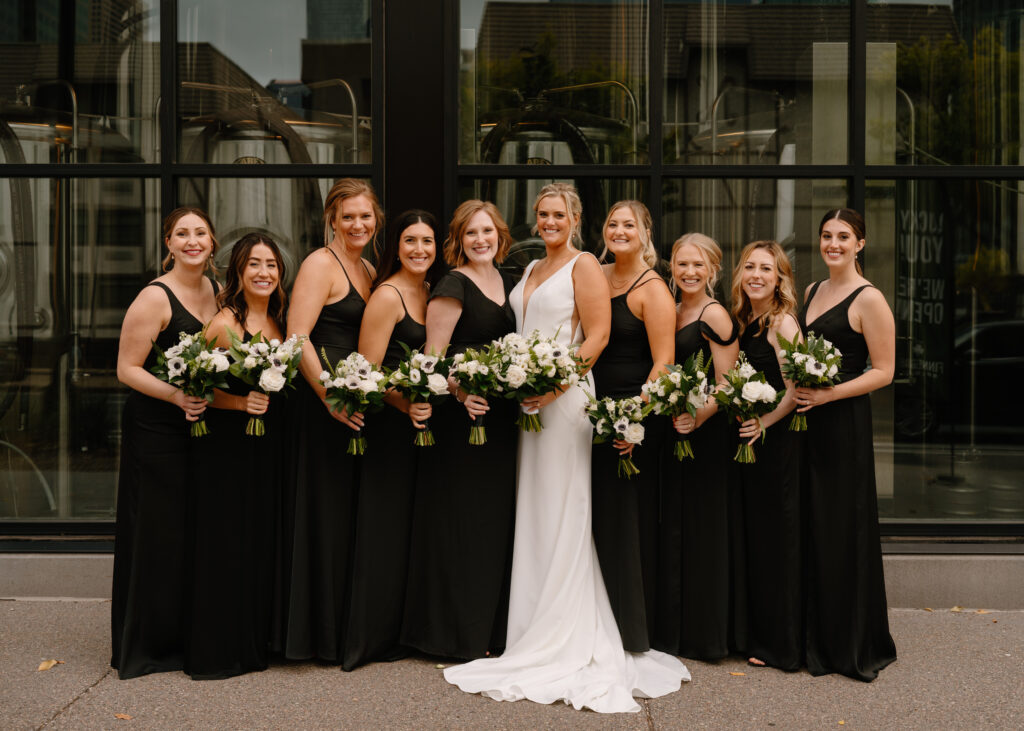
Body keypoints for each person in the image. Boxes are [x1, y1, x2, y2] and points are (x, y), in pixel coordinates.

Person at [444, 184, 689, 713]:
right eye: (542, 213)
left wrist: (552, 387)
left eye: (558, 214)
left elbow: (596, 337)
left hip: (567, 402)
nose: (549, 221)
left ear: (576, 219)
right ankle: (530, 630)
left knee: (563, 511)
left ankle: (567, 633)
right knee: (534, 511)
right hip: (526, 401)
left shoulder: (585, 267)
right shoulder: (529, 269)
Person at [401, 201, 518, 660]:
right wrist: (460, 392)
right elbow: (432, 357)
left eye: (487, 231)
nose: (481, 240)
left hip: (503, 419)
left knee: (494, 522)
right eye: (471, 233)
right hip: (463, 417)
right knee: (463, 521)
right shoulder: (453, 284)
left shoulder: (510, 281)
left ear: (500, 235)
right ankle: (455, 634)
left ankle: (492, 630)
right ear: (458, 240)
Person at [111, 207, 220, 679]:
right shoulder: (154, 298)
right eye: (182, 234)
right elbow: (127, 369)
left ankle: (185, 636)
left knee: (190, 532)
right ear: (168, 244)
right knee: (157, 533)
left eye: (200, 233)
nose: (192, 241)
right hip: (157, 428)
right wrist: (177, 395)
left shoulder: (216, 292)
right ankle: (147, 645)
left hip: (198, 426)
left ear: (213, 242)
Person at [278, 179, 381, 661]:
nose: (358, 224)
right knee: (321, 512)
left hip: (354, 400)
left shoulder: (369, 267)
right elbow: (297, 338)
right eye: (348, 217)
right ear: (331, 220)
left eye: (365, 215)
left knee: (347, 513)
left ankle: (340, 625)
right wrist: (329, 397)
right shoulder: (322, 264)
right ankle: (313, 635)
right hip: (321, 402)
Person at [796, 209, 897, 681]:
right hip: (807, 424)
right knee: (812, 525)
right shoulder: (812, 291)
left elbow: (883, 370)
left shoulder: (869, 298)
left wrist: (829, 393)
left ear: (860, 244)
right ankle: (812, 636)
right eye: (826, 236)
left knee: (842, 528)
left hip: (843, 423)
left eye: (843, 237)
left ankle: (850, 643)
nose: (832, 244)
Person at [345, 209, 443, 671]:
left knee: (414, 527)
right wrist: (406, 404)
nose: (419, 249)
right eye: (410, 241)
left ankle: (408, 629)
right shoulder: (387, 296)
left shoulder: (429, 290)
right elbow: (366, 370)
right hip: (389, 427)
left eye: (427, 241)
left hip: (423, 429)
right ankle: (372, 637)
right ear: (396, 247)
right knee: (385, 527)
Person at [187, 234, 287, 679]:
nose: (264, 272)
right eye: (254, 265)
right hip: (230, 449)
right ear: (238, 272)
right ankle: (221, 650)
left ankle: (256, 642)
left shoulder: (281, 319)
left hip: (268, 446)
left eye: (271, 264)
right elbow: (196, 389)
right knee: (230, 543)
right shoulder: (226, 324)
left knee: (260, 541)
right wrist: (239, 404)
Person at [590, 200, 675, 652]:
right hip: (586, 409)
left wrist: (632, 420)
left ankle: (628, 629)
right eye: (612, 223)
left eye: (628, 225)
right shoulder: (595, 274)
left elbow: (664, 362)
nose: (618, 231)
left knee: (623, 520)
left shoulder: (652, 288)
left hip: (628, 416)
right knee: (591, 515)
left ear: (645, 233)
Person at [653, 233, 739, 661]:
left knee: (701, 530)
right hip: (672, 431)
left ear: (713, 271)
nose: (688, 272)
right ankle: (672, 630)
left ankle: (704, 635)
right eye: (681, 264)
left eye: (697, 265)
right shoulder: (673, 308)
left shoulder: (715, 315)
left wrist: (696, 415)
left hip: (703, 438)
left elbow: (728, 385)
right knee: (673, 525)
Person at [730, 240, 803, 671]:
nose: (757, 275)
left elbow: (796, 390)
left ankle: (782, 644)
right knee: (754, 539)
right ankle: (753, 633)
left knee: (777, 541)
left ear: (780, 279)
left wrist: (763, 424)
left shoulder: (782, 323)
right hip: (748, 442)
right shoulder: (744, 320)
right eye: (750, 267)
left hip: (775, 444)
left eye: (766, 269)